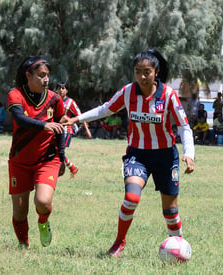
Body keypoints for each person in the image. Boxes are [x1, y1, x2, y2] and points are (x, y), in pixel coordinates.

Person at [61, 49, 195, 257]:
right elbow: (105, 109)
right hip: (137, 155)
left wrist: (189, 154)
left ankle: (179, 249)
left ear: (155, 72)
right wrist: (76, 119)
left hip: (166, 157)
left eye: (147, 72)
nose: (142, 76)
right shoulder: (128, 92)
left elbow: (184, 127)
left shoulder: (168, 94)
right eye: (138, 71)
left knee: (170, 210)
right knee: (131, 196)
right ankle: (119, 242)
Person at [7, 56, 66, 248]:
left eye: (47, 76)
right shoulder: (15, 95)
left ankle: (43, 222)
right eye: (41, 76)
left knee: (42, 201)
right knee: (19, 212)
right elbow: (18, 118)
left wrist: (63, 158)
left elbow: (59, 130)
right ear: (28, 76)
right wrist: (44, 125)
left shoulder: (55, 99)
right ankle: (23, 245)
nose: (46, 80)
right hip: (20, 161)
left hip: (47, 160)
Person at [55, 82, 92, 178]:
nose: (61, 90)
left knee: (58, 150)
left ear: (67, 90)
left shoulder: (71, 102)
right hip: (56, 130)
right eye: (59, 88)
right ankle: (72, 168)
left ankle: (69, 168)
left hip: (66, 130)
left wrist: (87, 130)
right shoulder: (54, 100)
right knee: (56, 150)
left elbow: (80, 116)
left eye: (63, 88)